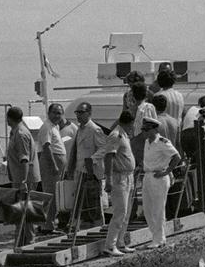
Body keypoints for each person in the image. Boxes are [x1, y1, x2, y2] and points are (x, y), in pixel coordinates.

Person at [137, 115, 182, 248]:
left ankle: (159, 239)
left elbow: (176, 157)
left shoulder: (162, 142)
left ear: (154, 129)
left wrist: (167, 171)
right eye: (143, 129)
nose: (144, 132)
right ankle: (155, 236)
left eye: (146, 130)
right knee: (147, 209)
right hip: (148, 175)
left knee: (158, 208)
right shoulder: (147, 142)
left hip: (159, 177)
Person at [64, 102, 105, 231]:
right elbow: (75, 150)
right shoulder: (79, 129)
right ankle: (81, 227)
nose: (79, 115)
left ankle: (97, 228)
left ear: (89, 113)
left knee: (93, 203)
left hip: (91, 172)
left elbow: (103, 148)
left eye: (81, 112)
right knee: (80, 201)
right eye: (77, 113)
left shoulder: (95, 129)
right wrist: (69, 169)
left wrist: (92, 160)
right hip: (79, 171)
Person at [102, 109, 137, 256]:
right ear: (128, 123)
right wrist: (108, 179)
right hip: (119, 177)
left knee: (126, 213)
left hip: (128, 176)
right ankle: (110, 245)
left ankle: (120, 242)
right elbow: (109, 157)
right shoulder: (116, 135)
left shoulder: (124, 135)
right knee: (119, 212)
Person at [4, 106, 40, 245]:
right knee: (22, 209)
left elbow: (24, 159)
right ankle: (23, 239)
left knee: (26, 209)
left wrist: (24, 181)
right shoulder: (15, 132)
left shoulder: (20, 134)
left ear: (9, 118)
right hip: (19, 177)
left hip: (25, 178)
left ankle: (28, 241)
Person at [33, 103, 68, 232]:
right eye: (55, 113)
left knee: (55, 194)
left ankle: (49, 223)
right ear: (49, 113)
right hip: (51, 163)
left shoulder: (55, 126)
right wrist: (53, 165)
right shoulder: (46, 126)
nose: (57, 115)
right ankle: (45, 225)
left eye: (59, 113)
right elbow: (46, 147)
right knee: (50, 194)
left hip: (58, 162)